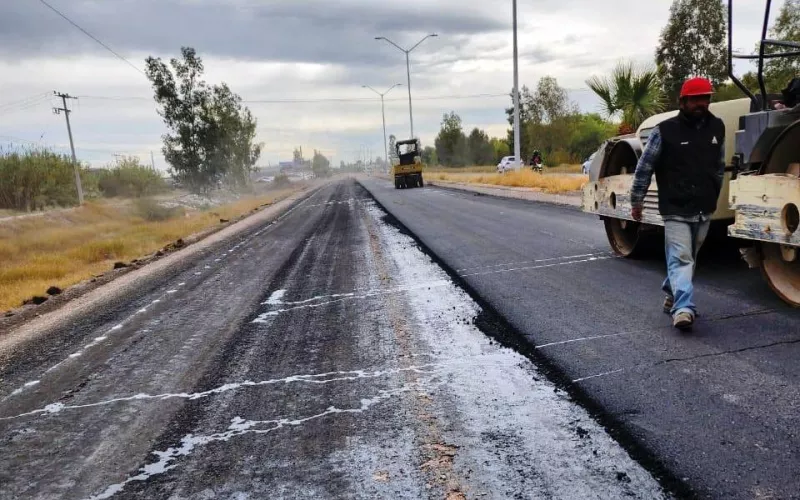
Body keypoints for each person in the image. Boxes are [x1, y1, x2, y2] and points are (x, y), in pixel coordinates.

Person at [629, 77, 725, 331]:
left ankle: (671, 291)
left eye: (705, 98)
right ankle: (683, 308)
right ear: (682, 101)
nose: (701, 103)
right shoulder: (664, 131)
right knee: (682, 257)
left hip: (705, 205)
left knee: (689, 256)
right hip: (675, 207)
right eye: (695, 99)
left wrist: (715, 193)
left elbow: (719, 166)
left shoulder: (717, 127)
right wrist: (636, 200)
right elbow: (644, 168)